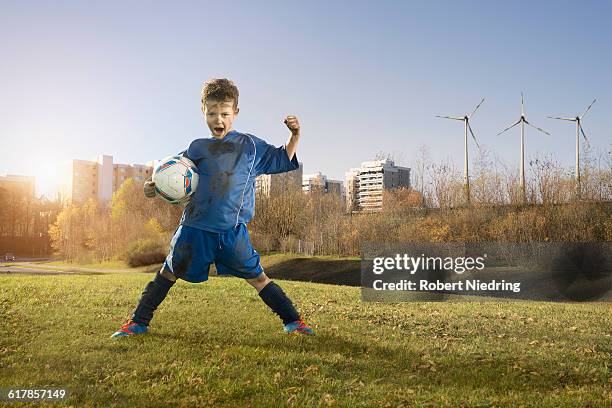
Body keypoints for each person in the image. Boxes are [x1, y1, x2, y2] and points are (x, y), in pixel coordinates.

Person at [112, 78, 314, 337]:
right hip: (194, 228)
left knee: (258, 278)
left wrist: (295, 135)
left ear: (235, 113)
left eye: (225, 114)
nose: (218, 119)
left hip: (232, 232)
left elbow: (282, 157)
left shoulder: (250, 147)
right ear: (203, 112)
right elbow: (171, 177)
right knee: (168, 272)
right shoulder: (197, 148)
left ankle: (293, 322)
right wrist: (152, 188)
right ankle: (138, 323)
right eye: (212, 113)